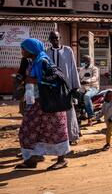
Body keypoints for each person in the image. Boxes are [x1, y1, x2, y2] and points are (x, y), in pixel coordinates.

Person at [16, 38, 70, 170]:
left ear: (31, 50)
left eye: (24, 49)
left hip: (50, 104)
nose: (22, 51)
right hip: (36, 103)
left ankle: (62, 160)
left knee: (55, 131)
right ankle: (32, 159)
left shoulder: (43, 61)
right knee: (28, 131)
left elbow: (57, 80)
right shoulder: (33, 62)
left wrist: (35, 81)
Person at [46, 31, 81, 145]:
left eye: (56, 38)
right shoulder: (47, 52)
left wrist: (75, 86)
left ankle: (72, 136)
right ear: (49, 40)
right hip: (52, 87)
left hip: (66, 86)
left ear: (60, 38)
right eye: (52, 38)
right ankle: (57, 137)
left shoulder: (67, 50)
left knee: (69, 111)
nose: (54, 40)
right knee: (54, 112)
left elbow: (72, 68)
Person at [79, 55, 100, 126]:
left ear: (89, 61)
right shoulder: (81, 69)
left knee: (87, 96)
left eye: (85, 61)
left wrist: (88, 81)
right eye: (82, 60)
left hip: (93, 87)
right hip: (82, 88)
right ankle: (80, 114)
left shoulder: (94, 69)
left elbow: (95, 77)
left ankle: (91, 115)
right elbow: (78, 78)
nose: (83, 62)